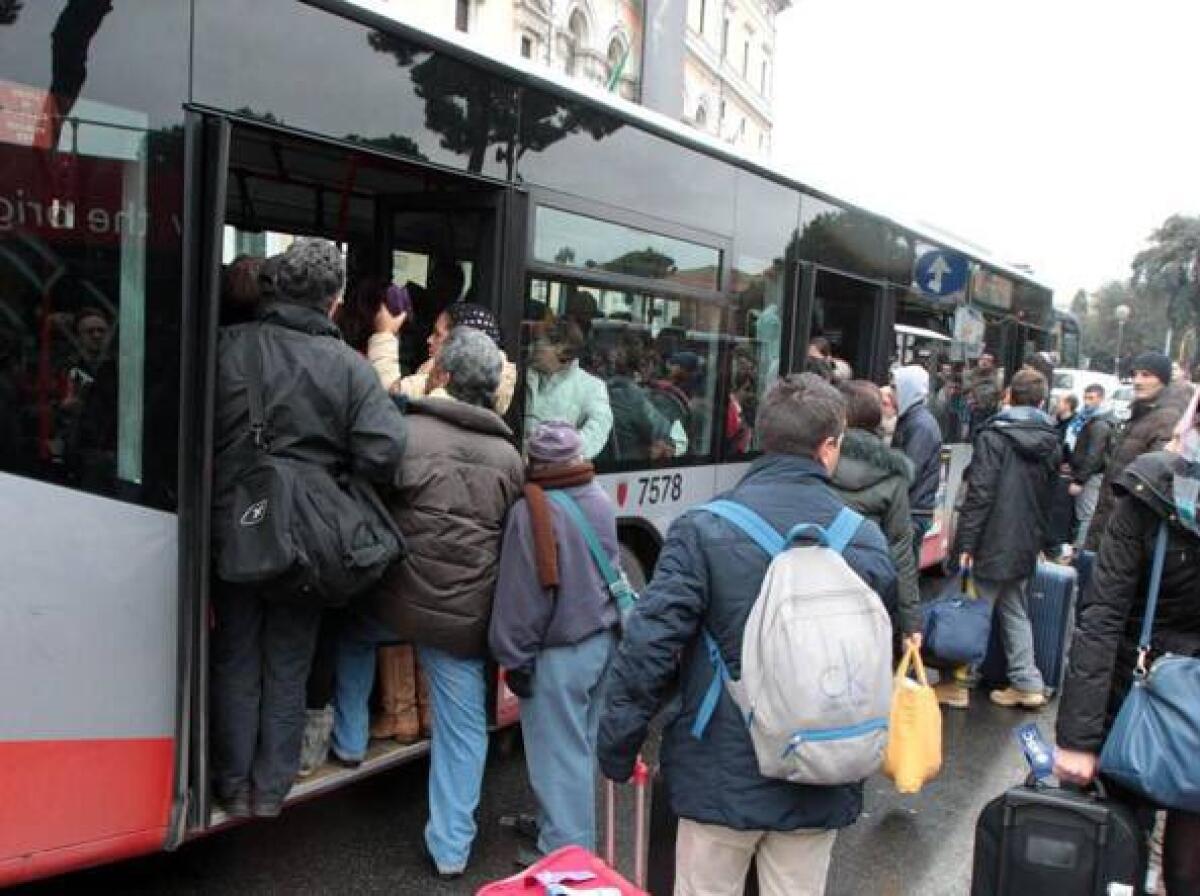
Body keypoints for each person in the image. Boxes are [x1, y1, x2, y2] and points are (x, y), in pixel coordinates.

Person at [598, 374, 896, 896]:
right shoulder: (863, 538)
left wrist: (618, 746)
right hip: (819, 768)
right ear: (830, 446)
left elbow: (650, 647)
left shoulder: (703, 528)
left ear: (762, 436)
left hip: (720, 768)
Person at [210, 238, 406, 818]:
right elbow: (384, 453)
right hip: (308, 536)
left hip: (235, 523)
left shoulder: (227, 347)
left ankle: (232, 783)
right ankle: (270, 791)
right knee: (289, 662)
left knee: (235, 656)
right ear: (336, 302)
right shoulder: (347, 366)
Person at [331, 327, 522, 878]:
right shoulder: (509, 458)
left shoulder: (405, 431)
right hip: (461, 618)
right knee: (463, 732)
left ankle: (347, 742)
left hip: (391, 597)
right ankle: (450, 849)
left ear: (443, 376)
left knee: (350, 632)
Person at [1054, 391, 1200, 895]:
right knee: (1179, 871)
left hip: (1133, 696)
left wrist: (1078, 741)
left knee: (1116, 860)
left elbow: (1102, 617)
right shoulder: (1150, 489)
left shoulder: (1153, 488)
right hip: (1138, 696)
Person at [489, 422, 621, 863]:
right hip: (602, 641)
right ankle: (565, 831)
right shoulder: (598, 498)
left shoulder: (533, 511)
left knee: (556, 756)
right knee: (579, 749)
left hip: (558, 653)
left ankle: (564, 853)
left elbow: (522, 595)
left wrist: (514, 658)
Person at [947, 369, 1061, 710]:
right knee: (1014, 610)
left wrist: (965, 544)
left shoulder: (994, 436)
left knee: (974, 610)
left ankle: (961, 682)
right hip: (1026, 541)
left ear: (1009, 395)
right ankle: (1027, 682)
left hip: (993, 539)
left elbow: (980, 493)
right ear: (1041, 401)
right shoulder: (1052, 441)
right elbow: (1050, 499)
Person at [830, 380, 922, 649]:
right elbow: (901, 553)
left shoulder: (818, 460)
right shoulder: (893, 476)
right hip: (868, 593)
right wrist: (910, 625)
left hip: (817, 586)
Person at [1085, 351, 1195, 552]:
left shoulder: (1167, 419)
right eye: (1135, 374)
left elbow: (1155, 483)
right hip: (1112, 523)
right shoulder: (1141, 413)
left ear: (1162, 379)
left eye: (1146, 375)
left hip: (1128, 533)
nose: (1137, 381)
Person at [369, 297, 518, 413]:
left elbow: (388, 400)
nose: (429, 340)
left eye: (437, 334)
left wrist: (384, 335)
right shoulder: (488, 391)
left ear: (460, 342)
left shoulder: (446, 382)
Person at [525, 317, 613, 461]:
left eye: (538, 343)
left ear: (562, 348)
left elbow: (599, 427)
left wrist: (565, 452)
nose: (531, 349)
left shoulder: (591, 387)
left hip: (558, 473)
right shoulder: (523, 377)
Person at [892, 365, 943, 565]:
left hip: (912, 513)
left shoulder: (919, 425)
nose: (891, 393)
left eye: (895, 387)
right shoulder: (913, 420)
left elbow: (909, 469)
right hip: (912, 510)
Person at [1065, 384, 1114, 550]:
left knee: (1086, 514)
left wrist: (1079, 480)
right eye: (1086, 398)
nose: (1087, 402)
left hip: (1090, 476)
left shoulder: (1099, 424)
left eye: (1091, 398)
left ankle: (1078, 551)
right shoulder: (1089, 420)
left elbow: (1094, 456)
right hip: (1085, 473)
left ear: (1101, 399)